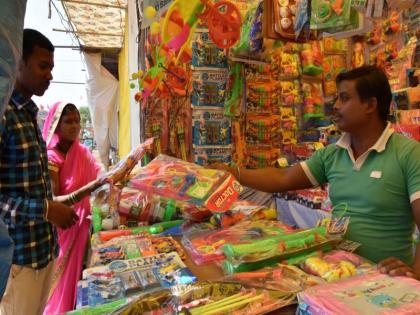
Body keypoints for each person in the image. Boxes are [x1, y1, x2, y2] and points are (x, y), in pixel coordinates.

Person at [214, 65, 420, 279]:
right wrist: (233, 172)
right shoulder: (332, 154)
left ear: (370, 105)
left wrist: (416, 276)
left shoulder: (408, 154)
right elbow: (283, 177)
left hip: (386, 282)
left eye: (344, 98)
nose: (336, 106)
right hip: (339, 273)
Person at [0, 29, 78, 315]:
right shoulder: (5, 116)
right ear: (18, 63)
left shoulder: (29, 114)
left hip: (44, 252)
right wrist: (46, 210)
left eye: (51, 68)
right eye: (42, 66)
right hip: (19, 260)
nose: (49, 75)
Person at [42, 102, 104, 314]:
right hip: (65, 226)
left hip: (86, 224)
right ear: (56, 125)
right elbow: (54, 200)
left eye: (77, 120)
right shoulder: (52, 158)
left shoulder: (84, 151)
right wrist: (88, 189)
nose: (75, 125)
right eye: (68, 121)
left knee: (82, 276)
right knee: (61, 282)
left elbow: (99, 174)